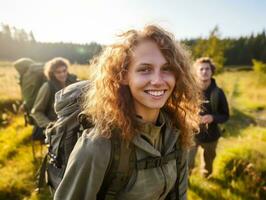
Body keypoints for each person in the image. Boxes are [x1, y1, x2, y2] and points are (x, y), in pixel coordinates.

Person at [54, 25, 201, 200]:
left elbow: (179, 193)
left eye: (167, 68)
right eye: (144, 69)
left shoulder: (176, 133)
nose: (158, 80)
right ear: (123, 76)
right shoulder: (99, 146)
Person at [188, 57, 229, 178]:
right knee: (186, 162)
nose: (204, 71)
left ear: (212, 71)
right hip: (191, 135)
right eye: (201, 69)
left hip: (212, 136)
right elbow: (181, 111)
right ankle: (185, 183)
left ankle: (206, 177)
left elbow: (225, 115)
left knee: (209, 162)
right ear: (196, 72)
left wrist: (213, 118)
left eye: (207, 69)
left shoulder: (218, 92)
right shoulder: (190, 91)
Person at [31, 57, 77, 140]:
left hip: (74, 124)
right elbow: (36, 112)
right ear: (52, 73)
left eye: (64, 71)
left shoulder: (74, 83)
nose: (62, 74)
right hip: (57, 127)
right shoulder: (47, 87)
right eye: (58, 72)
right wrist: (51, 126)